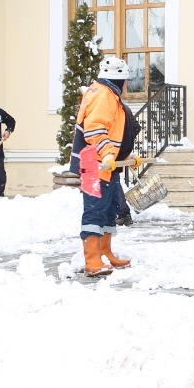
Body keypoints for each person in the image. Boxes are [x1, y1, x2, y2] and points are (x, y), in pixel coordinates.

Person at [70, 56, 141, 276]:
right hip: (94, 164)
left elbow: (115, 130)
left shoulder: (108, 94)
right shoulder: (103, 95)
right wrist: (109, 153)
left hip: (107, 164)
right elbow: (95, 130)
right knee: (95, 209)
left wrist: (127, 155)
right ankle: (92, 261)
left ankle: (105, 253)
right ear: (121, 80)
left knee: (110, 208)